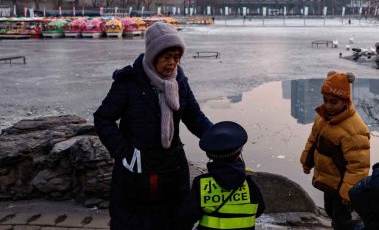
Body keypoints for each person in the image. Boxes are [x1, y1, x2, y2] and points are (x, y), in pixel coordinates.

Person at [94, 22, 213, 230]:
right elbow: (103, 119)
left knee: (174, 222)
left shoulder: (180, 82)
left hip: (172, 171)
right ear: (152, 55)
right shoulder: (129, 81)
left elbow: (194, 117)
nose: (172, 63)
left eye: (176, 57)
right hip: (137, 173)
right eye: (167, 57)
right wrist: (125, 154)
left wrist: (220, 140)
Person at [300, 71, 371, 230]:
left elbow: (358, 165)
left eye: (334, 102)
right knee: (331, 211)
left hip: (342, 183)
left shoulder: (354, 130)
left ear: (345, 101)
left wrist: (348, 192)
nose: (328, 105)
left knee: (342, 219)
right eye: (325, 100)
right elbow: (313, 141)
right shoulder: (323, 117)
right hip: (328, 180)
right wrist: (307, 162)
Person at [178, 121, 265, 229]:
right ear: (239, 153)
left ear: (210, 156)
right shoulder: (248, 183)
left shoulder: (202, 184)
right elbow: (260, 208)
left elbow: (187, 216)